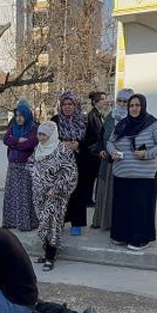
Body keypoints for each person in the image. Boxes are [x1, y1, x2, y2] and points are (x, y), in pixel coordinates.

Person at [107, 94, 157, 251]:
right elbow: (110, 142)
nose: (134, 108)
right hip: (122, 173)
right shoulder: (122, 124)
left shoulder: (153, 124)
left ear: (143, 106)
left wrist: (146, 154)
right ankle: (121, 235)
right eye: (131, 105)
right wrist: (112, 151)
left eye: (137, 105)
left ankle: (141, 239)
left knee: (140, 207)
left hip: (144, 175)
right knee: (122, 207)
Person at [30, 122, 78, 271]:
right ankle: (48, 253)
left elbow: (70, 172)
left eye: (44, 134)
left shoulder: (62, 149)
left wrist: (56, 189)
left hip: (55, 195)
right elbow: (31, 165)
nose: (41, 137)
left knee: (51, 224)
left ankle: (50, 257)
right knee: (43, 223)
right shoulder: (38, 149)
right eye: (39, 134)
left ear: (51, 135)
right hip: (39, 194)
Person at [50, 92, 93, 236]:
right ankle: (60, 221)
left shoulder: (84, 120)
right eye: (64, 104)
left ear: (76, 105)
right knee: (61, 192)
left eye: (70, 104)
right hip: (61, 162)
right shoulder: (55, 121)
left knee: (77, 193)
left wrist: (78, 144)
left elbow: (92, 139)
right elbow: (47, 139)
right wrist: (62, 144)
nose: (67, 107)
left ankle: (76, 223)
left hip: (78, 161)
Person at [91, 88, 133, 231]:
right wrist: (102, 149)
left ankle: (120, 223)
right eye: (119, 101)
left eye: (125, 101)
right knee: (106, 191)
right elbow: (101, 137)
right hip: (108, 163)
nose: (121, 104)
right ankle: (105, 222)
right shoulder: (110, 117)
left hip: (125, 163)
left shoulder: (134, 119)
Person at [2, 100, 38, 231]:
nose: (18, 118)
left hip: (25, 168)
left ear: (27, 115)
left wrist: (14, 144)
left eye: (21, 115)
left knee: (24, 195)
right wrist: (17, 140)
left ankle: (26, 223)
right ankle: (11, 222)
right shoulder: (13, 127)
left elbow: (29, 144)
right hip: (13, 167)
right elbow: (5, 140)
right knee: (12, 195)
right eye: (16, 115)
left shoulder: (33, 128)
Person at [84, 91, 108, 208]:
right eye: (102, 99)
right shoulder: (92, 116)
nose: (105, 101)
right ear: (95, 102)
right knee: (91, 177)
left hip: (95, 150)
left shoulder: (98, 115)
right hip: (92, 151)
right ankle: (88, 200)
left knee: (94, 176)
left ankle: (92, 199)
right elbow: (98, 133)